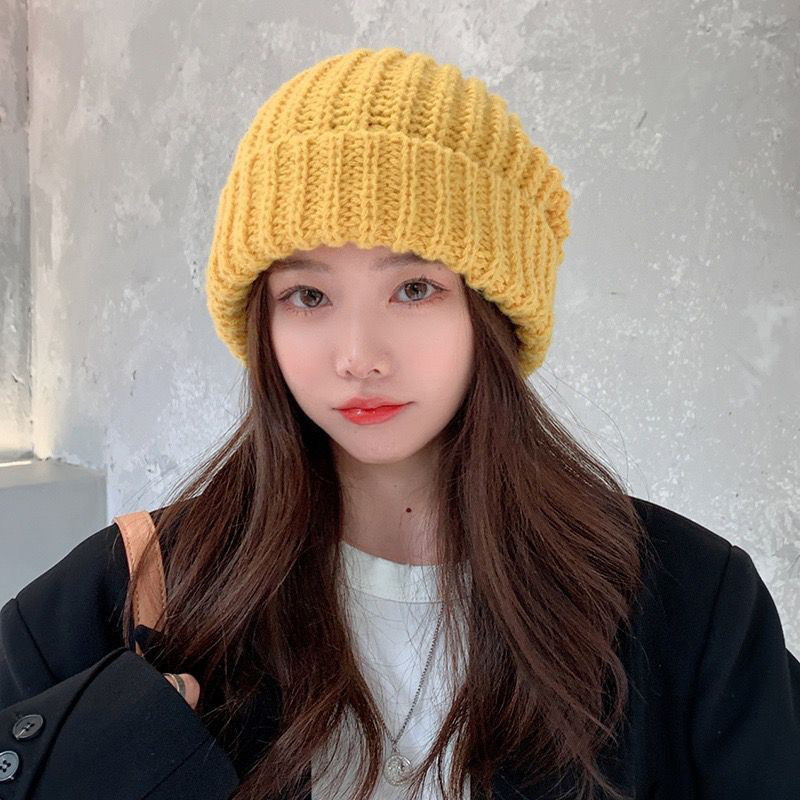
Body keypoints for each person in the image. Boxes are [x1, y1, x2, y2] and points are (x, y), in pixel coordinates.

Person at [1, 45, 798, 800]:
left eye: (414, 288)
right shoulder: (135, 591)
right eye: (308, 296)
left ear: (493, 311)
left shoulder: (690, 606)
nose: (359, 356)